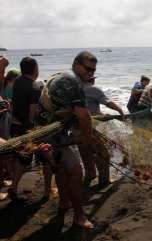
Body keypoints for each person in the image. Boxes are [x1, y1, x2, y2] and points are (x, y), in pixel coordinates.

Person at [37, 51, 96, 229]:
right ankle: (79, 217)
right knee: (76, 172)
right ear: (76, 64)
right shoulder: (73, 82)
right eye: (87, 69)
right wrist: (87, 141)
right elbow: (84, 116)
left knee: (61, 170)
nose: (90, 74)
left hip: (43, 130)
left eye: (93, 71)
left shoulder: (63, 75)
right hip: (51, 135)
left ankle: (64, 203)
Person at [8, 57, 51, 201]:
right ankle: (46, 192)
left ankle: (13, 187)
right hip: (28, 128)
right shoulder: (33, 86)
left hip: (14, 125)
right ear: (35, 69)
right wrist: (33, 128)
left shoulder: (18, 82)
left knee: (22, 159)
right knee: (46, 158)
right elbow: (32, 110)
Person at [80, 76, 124, 185]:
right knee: (103, 154)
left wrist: (104, 115)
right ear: (92, 80)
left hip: (77, 127)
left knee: (86, 152)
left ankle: (90, 174)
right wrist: (120, 110)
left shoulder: (76, 89)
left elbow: (90, 108)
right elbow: (107, 102)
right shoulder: (93, 89)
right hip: (90, 127)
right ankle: (104, 180)